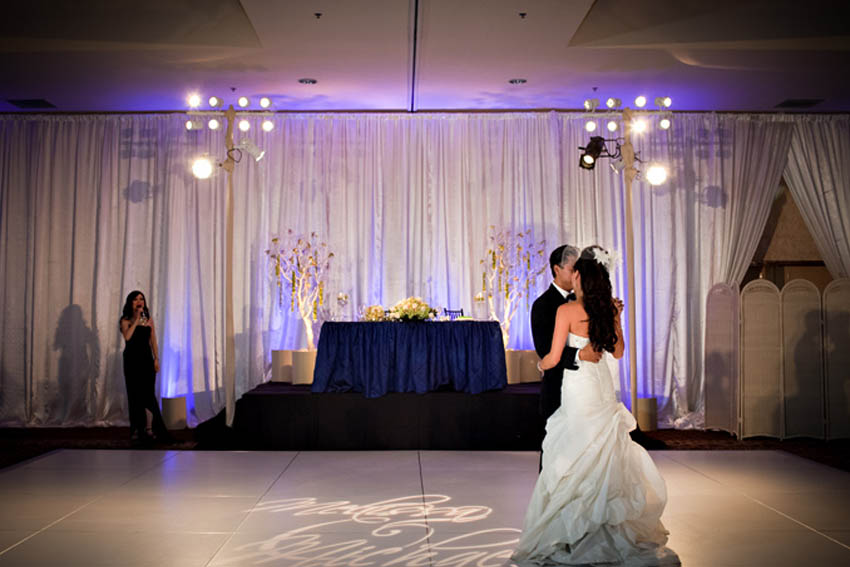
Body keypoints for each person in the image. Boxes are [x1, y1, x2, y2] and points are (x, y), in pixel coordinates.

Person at [512, 246, 674, 566]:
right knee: (600, 450)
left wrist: (540, 366)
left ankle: (570, 529)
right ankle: (602, 527)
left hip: (579, 389)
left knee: (574, 450)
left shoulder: (567, 310)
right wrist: (615, 318)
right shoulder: (603, 309)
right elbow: (619, 352)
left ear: (580, 277)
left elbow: (551, 356)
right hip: (600, 387)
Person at [530, 245, 602, 471]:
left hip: (587, 385)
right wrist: (580, 354)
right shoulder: (542, 305)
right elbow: (544, 349)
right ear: (557, 269)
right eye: (572, 269)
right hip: (557, 385)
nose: (576, 275)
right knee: (555, 449)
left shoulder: (588, 302)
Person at [120, 291, 173, 444]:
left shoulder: (148, 320)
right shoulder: (125, 320)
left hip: (146, 360)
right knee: (135, 396)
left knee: (148, 395)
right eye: (135, 299)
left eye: (141, 299)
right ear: (130, 302)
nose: (139, 301)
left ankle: (150, 428)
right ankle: (137, 429)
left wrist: (156, 358)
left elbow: (153, 341)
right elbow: (127, 337)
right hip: (131, 361)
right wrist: (136, 320)